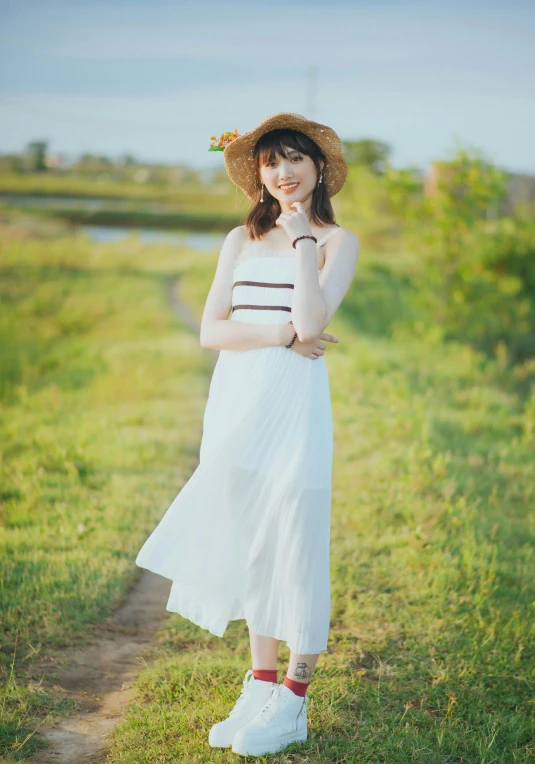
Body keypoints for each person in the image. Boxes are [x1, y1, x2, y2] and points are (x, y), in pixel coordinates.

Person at [135, 112, 360, 757]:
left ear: (318, 168)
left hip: (294, 407)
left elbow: (314, 320)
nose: (282, 172)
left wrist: (302, 244)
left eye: (294, 158)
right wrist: (279, 335)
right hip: (235, 402)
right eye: (270, 162)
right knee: (253, 544)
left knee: (294, 542)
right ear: (257, 175)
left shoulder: (337, 243)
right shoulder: (238, 238)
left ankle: (295, 700)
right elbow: (212, 330)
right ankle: (260, 682)